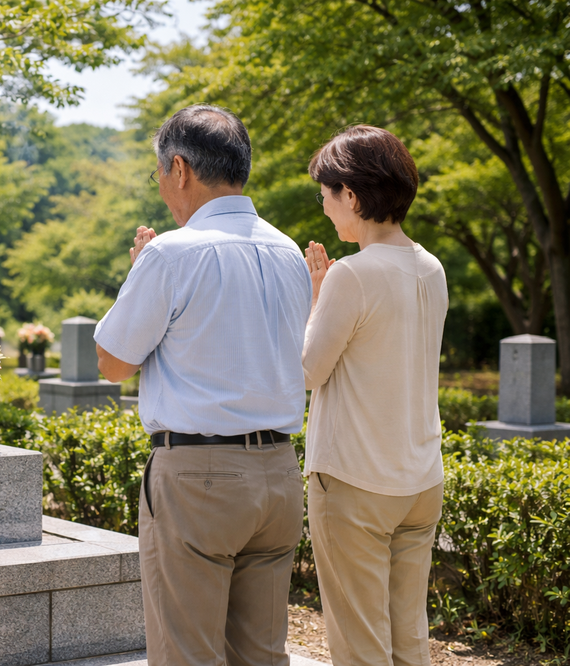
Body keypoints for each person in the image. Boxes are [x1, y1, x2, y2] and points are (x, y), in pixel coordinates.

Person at [94, 104, 312, 666]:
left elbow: (113, 362)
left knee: (186, 654)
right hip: (279, 473)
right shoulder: (288, 250)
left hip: (199, 478)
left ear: (181, 168)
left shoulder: (171, 251)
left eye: (160, 172)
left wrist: (138, 270)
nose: (163, 187)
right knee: (262, 655)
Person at [301, 125, 448, 666]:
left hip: (355, 481)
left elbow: (309, 371)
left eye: (327, 196)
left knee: (360, 644)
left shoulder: (353, 276)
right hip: (419, 478)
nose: (325, 208)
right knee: (409, 638)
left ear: (353, 196)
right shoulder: (432, 266)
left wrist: (317, 295)